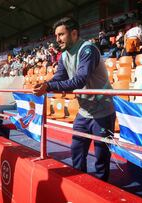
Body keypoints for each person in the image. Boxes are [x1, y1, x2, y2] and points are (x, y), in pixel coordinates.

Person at [33, 17, 115, 181]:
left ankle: (102, 190)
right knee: (77, 151)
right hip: (84, 111)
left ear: (74, 33)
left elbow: (79, 80)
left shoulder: (88, 50)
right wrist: (45, 83)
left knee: (101, 157)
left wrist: (48, 87)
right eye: (56, 36)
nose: (57, 39)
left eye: (61, 35)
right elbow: (59, 77)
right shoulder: (64, 56)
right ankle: (79, 184)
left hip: (103, 111)